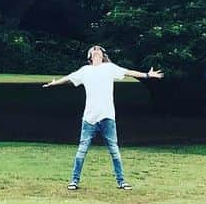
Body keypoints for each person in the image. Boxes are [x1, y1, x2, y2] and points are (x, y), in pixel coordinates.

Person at [42, 45, 163, 191]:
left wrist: (148, 75)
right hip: (89, 119)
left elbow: (128, 72)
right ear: (90, 56)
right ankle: (74, 181)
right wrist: (55, 83)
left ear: (103, 54)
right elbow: (69, 77)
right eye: (94, 50)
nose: (96, 50)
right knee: (81, 151)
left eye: (99, 50)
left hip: (107, 117)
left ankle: (121, 181)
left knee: (114, 151)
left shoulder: (109, 68)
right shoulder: (85, 71)